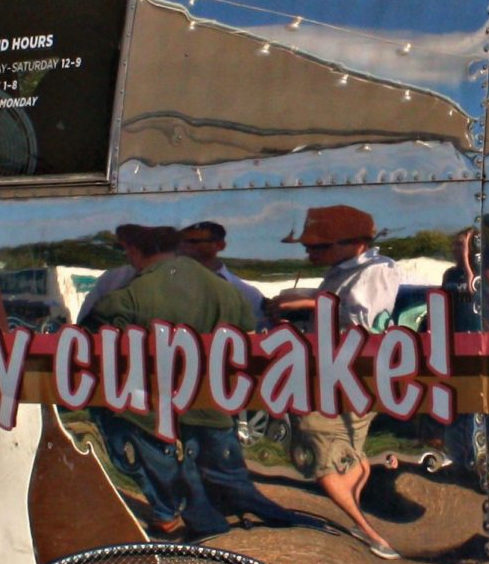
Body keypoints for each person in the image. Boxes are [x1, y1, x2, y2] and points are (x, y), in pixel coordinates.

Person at [89, 229, 325, 537]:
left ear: (132, 250)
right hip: (215, 409)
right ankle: (284, 520)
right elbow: (249, 350)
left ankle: (200, 525)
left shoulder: (126, 297)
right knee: (229, 477)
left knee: (178, 478)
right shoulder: (228, 291)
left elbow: (93, 353)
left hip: (154, 413)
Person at [276, 204, 404, 559]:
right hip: (335, 372)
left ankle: (368, 531)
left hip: (351, 374)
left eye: (319, 246)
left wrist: (305, 304)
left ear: (356, 243)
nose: (310, 252)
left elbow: (361, 324)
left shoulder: (377, 270)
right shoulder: (344, 270)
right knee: (340, 451)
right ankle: (364, 524)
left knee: (318, 447)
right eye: (309, 246)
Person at [175, 221, 271, 319]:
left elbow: (258, 330)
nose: (182, 247)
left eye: (193, 242)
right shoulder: (169, 281)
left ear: (220, 245)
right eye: (179, 242)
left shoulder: (246, 293)